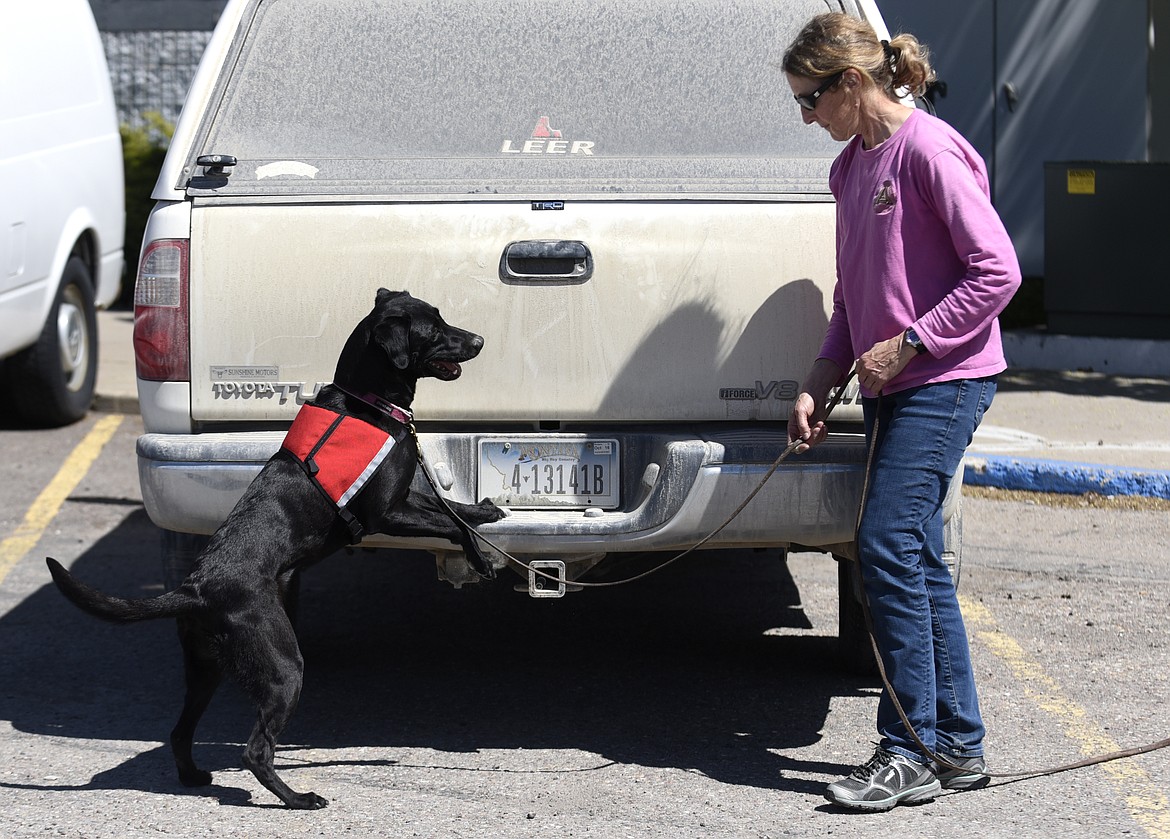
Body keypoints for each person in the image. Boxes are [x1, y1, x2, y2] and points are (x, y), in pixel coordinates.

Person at [781, 13, 1021, 811]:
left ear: (852, 81)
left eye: (811, 100)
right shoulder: (850, 170)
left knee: (883, 544)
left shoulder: (930, 149)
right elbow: (854, 293)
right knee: (910, 554)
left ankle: (908, 746)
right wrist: (822, 375)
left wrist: (914, 342)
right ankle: (955, 744)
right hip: (894, 381)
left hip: (945, 379)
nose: (808, 118)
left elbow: (998, 272)